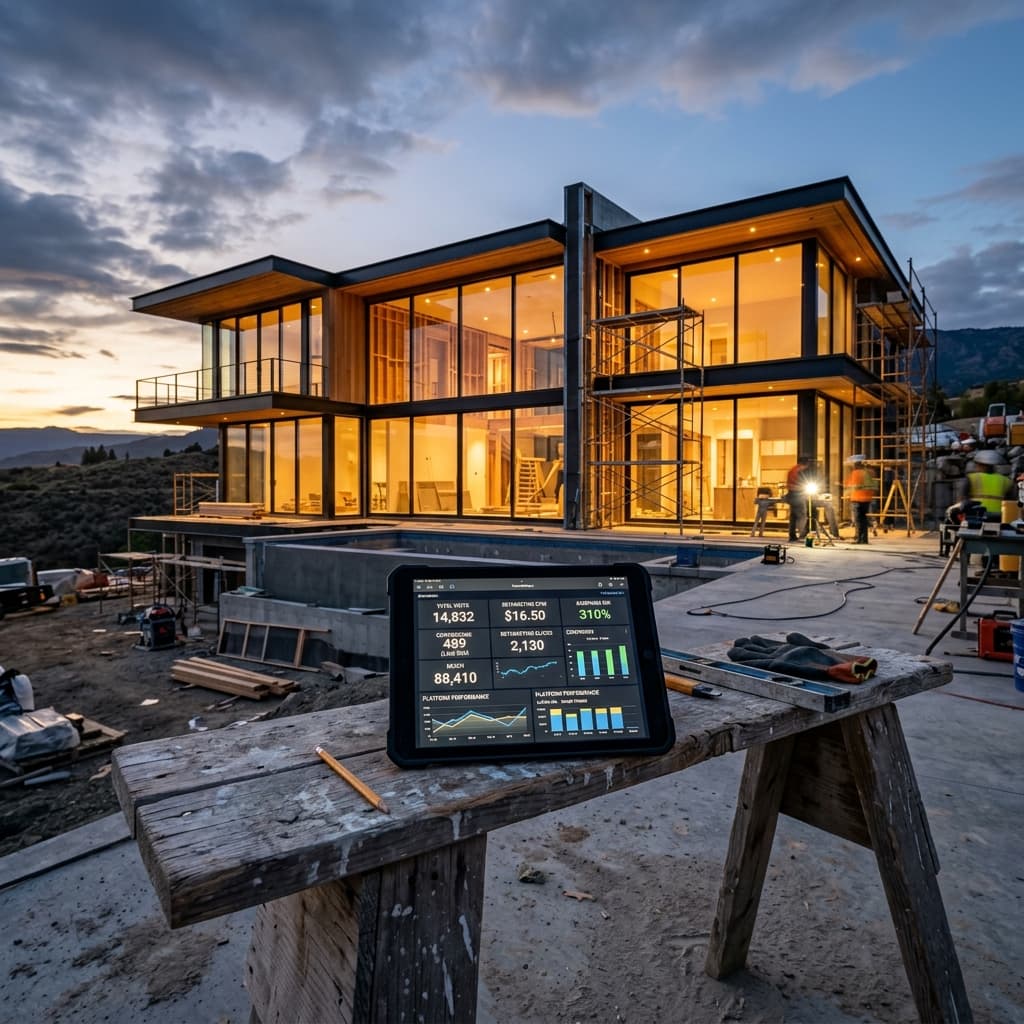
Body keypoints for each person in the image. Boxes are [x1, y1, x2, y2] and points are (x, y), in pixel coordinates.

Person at [958, 449, 1012, 520]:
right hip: (999, 517)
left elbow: (962, 499)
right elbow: (1011, 502)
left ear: (980, 464)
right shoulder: (1006, 480)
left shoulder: (971, 478)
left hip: (976, 515)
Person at [844, 454, 877, 544]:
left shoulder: (855, 473)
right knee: (864, 520)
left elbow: (849, 485)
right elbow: (873, 486)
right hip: (866, 500)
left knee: (858, 521)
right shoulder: (868, 473)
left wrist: (846, 490)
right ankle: (864, 539)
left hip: (857, 499)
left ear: (855, 465)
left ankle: (859, 539)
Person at [785, 455, 811, 541]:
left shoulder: (792, 469)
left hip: (791, 495)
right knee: (802, 515)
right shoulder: (799, 471)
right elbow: (799, 484)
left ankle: (792, 535)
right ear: (805, 464)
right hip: (797, 495)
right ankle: (802, 535)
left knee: (793, 516)